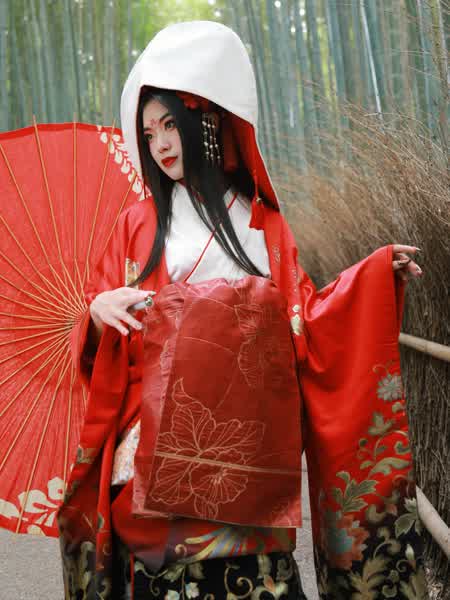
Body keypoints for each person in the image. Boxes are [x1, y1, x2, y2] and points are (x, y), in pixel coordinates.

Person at [59, 21, 426, 600]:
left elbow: (307, 320)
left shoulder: (263, 224)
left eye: (169, 125)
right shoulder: (137, 225)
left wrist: (373, 276)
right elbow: (97, 327)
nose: (160, 144)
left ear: (205, 122)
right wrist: (98, 312)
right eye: (149, 133)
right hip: (158, 453)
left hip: (249, 453)